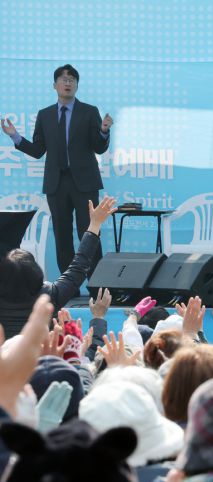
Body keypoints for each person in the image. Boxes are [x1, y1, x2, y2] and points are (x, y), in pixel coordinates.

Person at [1, 64, 113, 276]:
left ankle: (96, 283)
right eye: (63, 79)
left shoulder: (89, 111)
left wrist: (104, 131)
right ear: (55, 85)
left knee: (89, 233)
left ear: (77, 85)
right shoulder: (45, 115)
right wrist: (15, 136)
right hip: (56, 183)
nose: (67, 82)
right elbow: (37, 150)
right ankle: (68, 286)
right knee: (62, 235)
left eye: (72, 79)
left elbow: (98, 146)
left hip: (84, 183)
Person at [0, 195, 117, 338]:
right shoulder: (50, 295)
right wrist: (95, 224)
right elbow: (79, 266)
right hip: (44, 356)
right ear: (35, 271)